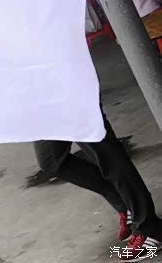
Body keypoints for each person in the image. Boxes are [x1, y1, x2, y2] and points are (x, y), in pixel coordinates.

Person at [34, 103, 162, 261]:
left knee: (107, 157)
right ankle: (125, 203)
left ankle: (148, 227)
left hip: (71, 95)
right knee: (50, 161)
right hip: (40, 101)